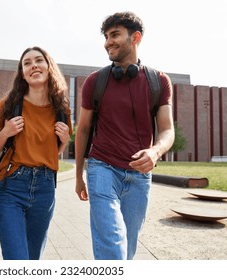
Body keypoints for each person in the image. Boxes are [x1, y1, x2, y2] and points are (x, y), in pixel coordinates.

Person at [75, 12, 175, 260]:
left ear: (135, 37)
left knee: (128, 249)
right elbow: (84, 129)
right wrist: (78, 175)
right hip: (102, 169)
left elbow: (167, 129)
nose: (108, 41)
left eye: (115, 34)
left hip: (140, 176)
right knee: (113, 244)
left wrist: (155, 151)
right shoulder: (94, 82)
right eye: (106, 36)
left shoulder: (159, 81)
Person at [0, 46, 72, 260]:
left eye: (38, 60)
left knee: (33, 260)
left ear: (48, 66)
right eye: (27, 63)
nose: (33, 65)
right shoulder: (9, 104)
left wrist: (64, 141)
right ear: (23, 72)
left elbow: (54, 152)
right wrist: (7, 131)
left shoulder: (62, 108)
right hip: (10, 186)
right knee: (17, 259)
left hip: (45, 188)